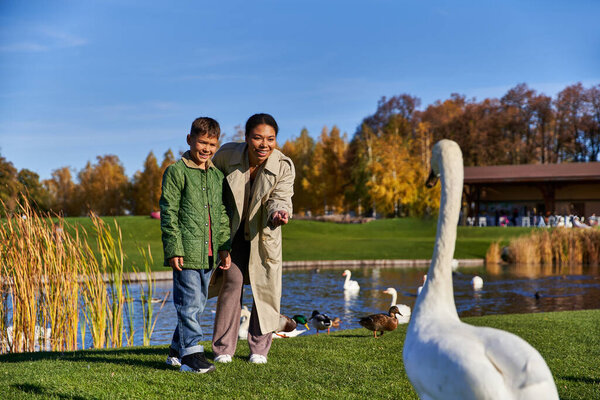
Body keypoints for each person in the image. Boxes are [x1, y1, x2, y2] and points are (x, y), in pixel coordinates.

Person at [209, 113, 295, 365]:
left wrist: (279, 213)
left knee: (264, 289)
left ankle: (259, 349)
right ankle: (223, 348)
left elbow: (281, 197)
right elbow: (209, 182)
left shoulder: (283, 165)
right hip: (232, 233)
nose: (264, 144)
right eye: (257, 138)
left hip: (264, 236)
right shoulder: (226, 155)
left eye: (270, 139)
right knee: (232, 282)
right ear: (246, 138)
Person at [160, 117, 232, 373]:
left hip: (209, 254)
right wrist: (174, 249)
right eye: (202, 142)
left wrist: (224, 247)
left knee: (197, 305)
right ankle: (192, 356)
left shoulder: (216, 176)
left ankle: (175, 352)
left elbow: (222, 214)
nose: (207, 149)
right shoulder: (176, 172)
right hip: (186, 252)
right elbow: (169, 213)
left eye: (212, 144)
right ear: (189, 139)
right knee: (189, 304)